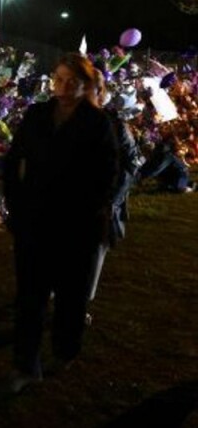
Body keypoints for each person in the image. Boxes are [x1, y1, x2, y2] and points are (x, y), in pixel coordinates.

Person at [1, 53, 118, 394]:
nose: (64, 88)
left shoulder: (97, 124)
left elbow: (107, 175)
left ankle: (65, 350)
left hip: (75, 226)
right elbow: (14, 160)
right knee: (30, 297)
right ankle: (26, 364)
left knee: (71, 296)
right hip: (34, 221)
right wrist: (16, 203)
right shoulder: (38, 115)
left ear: (86, 86)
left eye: (72, 82)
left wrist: (86, 209)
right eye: (59, 80)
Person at [86, 70, 140, 323]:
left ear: (100, 92)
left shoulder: (115, 125)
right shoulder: (56, 119)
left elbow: (131, 163)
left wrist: (112, 201)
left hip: (99, 206)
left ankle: (79, 304)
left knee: (91, 259)